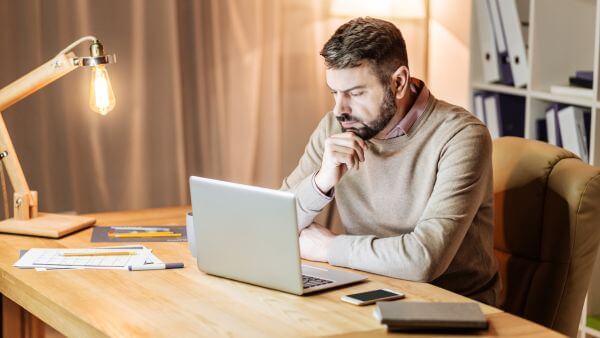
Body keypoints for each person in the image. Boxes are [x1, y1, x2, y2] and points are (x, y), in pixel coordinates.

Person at [280, 17, 499, 305]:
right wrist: (321, 183)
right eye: (334, 92)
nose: (339, 109)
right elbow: (276, 223)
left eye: (355, 93)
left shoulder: (461, 136)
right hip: (369, 286)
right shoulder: (336, 127)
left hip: (450, 305)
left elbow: (424, 259)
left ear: (398, 82)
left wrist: (329, 248)